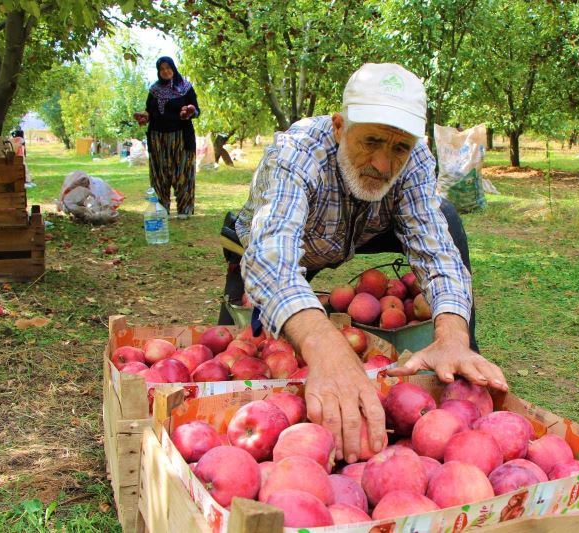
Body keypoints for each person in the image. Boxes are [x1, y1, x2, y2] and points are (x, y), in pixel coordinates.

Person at [220, 63, 508, 464]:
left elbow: (435, 247)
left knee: (447, 217)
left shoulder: (414, 159)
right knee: (235, 345)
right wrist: (326, 347)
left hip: (363, 230)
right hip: (284, 238)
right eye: (370, 141)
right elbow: (271, 257)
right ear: (339, 127)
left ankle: (459, 354)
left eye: (398, 148)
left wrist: (453, 332)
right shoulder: (297, 152)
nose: (383, 164)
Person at [135, 57, 200, 219]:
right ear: (158, 71)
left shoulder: (185, 87)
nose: (165, 71)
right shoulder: (154, 90)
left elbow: (196, 110)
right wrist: (144, 117)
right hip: (158, 138)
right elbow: (149, 111)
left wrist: (189, 112)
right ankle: (161, 209)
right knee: (160, 174)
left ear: (173, 68)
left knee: (183, 172)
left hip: (181, 138)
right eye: (161, 69)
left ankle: (184, 209)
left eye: (168, 67)